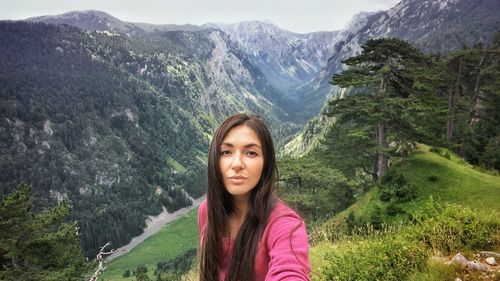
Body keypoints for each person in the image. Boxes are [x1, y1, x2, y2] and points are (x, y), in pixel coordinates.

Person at [198, 113, 311, 281]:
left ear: (266, 163)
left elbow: (290, 271)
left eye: (251, 153)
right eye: (226, 152)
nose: (237, 164)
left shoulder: (286, 224)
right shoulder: (207, 210)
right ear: (215, 159)